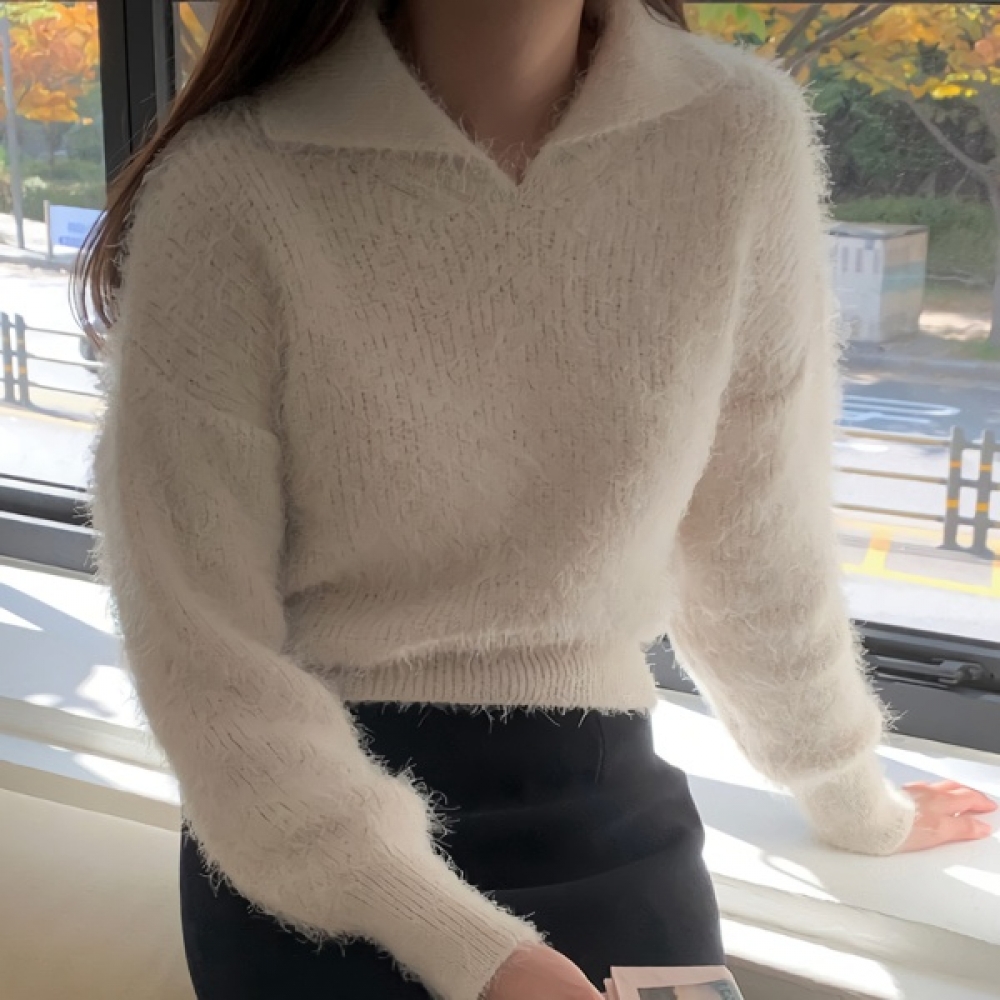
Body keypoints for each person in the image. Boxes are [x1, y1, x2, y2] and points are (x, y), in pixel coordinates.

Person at [77, 1, 998, 998]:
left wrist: (851, 793)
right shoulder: (228, 187)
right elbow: (198, 647)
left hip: (607, 807)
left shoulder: (734, 134)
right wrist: (477, 954)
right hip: (307, 834)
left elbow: (757, 533)